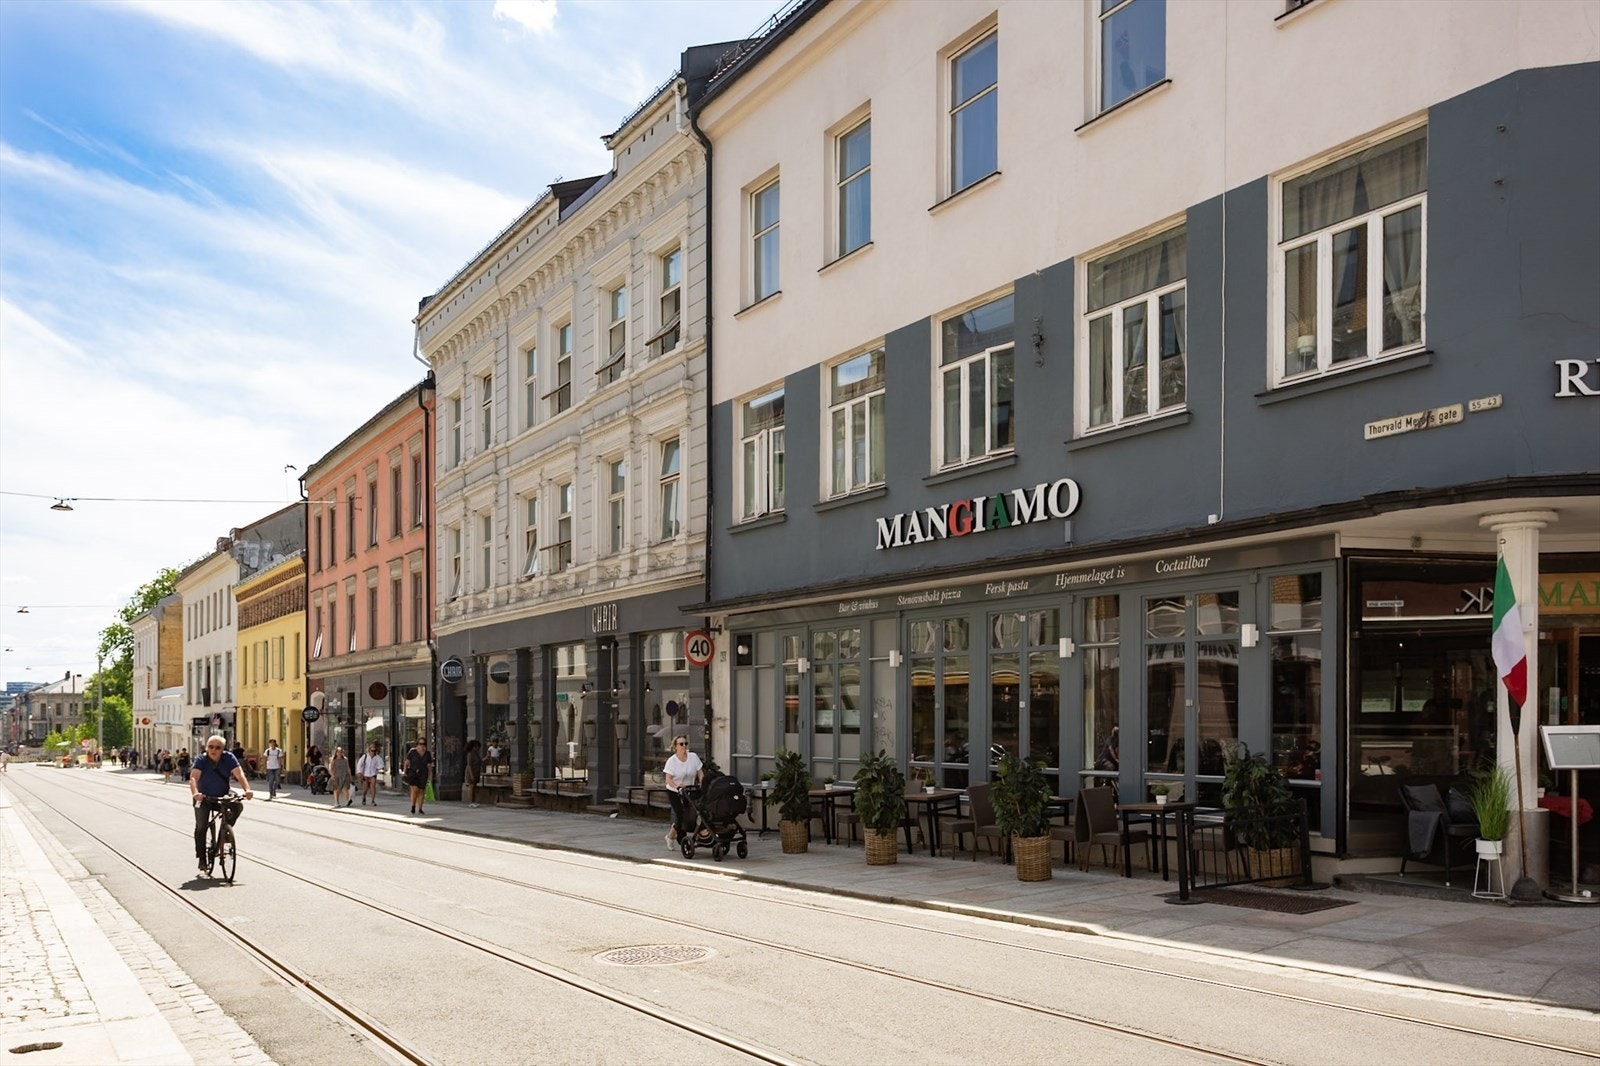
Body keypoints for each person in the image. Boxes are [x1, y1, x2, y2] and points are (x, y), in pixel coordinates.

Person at [189, 735, 252, 876]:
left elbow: (239, 774)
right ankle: (202, 858)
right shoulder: (201, 760)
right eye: (211, 747)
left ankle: (225, 832)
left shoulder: (228, 758)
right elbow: (193, 778)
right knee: (201, 826)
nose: (214, 750)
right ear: (207, 748)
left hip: (221, 795)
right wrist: (195, 793)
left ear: (223, 749)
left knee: (237, 806)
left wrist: (247, 790)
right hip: (204, 797)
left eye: (217, 747)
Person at [662, 735, 703, 848]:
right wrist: (677, 787)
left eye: (685, 743)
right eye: (681, 744)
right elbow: (668, 779)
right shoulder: (672, 761)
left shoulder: (693, 757)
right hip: (674, 791)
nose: (684, 746)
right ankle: (670, 837)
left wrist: (703, 784)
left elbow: (700, 773)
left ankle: (696, 835)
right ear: (676, 746)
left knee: (694, 813)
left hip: (690, 790)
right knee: (680, 815)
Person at [403, 738, 434, 815]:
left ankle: (420, 808)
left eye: (424, 744)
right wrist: (404, 771)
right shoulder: (412, 752)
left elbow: (429, 765)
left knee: (421, 790)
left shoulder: (427, 754)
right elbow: (407, 762)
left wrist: (430, 775)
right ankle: (413, 805)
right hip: (413, 773)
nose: (422, 746)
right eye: (420, 744)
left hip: (423, 773)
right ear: (417, 744)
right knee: (415, 789)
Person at [464, 739, 483, 808]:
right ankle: (470, 802)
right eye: (477, 746)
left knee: (474, 787)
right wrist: (471, 775)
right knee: (471, 787)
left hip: (476, 772)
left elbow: (480, 761)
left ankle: (474, 801)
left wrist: (486, 758)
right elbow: (469, 765)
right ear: (474, 747)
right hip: (471, 772)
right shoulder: (470, 754)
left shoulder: (476, 754)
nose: (478, 748)